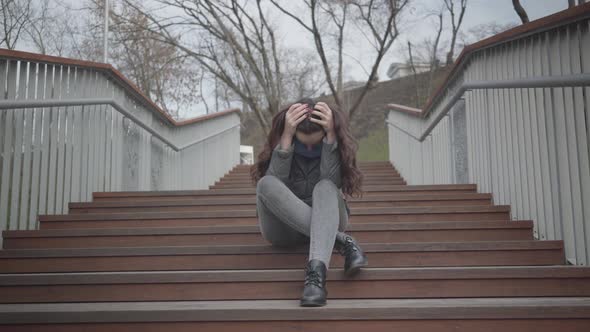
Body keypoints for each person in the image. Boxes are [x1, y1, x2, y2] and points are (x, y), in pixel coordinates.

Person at [250, 97, 367, 307]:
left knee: (325, 186)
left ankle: (315, 280)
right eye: (304, 144)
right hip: (283, 229)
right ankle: (343, 241)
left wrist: (331, 138)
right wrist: (285, 137)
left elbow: (331, 185)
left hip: (329, 218)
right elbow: (277, 188)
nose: (310, 149)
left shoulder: (335, 144)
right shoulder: (285, 140)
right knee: (266, 183)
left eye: (316, 144)